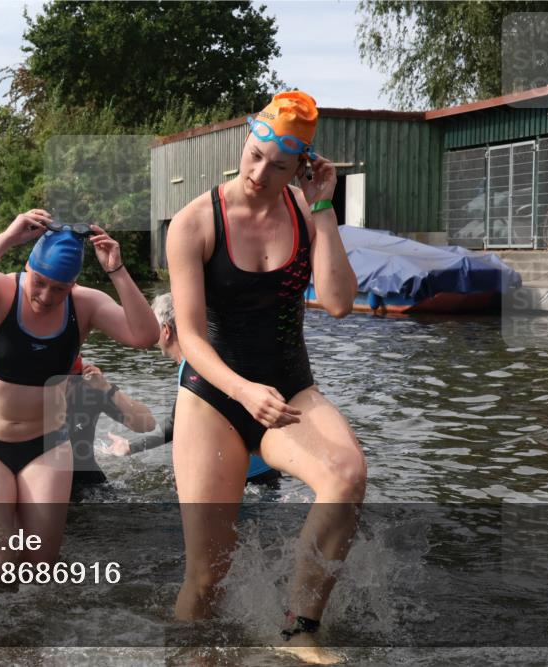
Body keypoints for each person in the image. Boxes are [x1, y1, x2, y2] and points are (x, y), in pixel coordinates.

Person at [166, 91, 363, 659]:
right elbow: (192, 340)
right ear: (243, 142)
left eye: (279, 166)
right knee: (208, 578)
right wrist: (244, 391)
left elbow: (340, 302)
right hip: (215, 396)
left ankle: (298, 631)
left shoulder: (305, 211)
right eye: (254, 155)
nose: (259, 172)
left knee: (346, 476)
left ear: (301, 166)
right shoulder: (195, 222)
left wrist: (324, 208)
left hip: (289, 387)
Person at [0, 210, 160, 564]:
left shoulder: (85, 305)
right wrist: (8, 237)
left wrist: (116, 271)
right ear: (28, 267)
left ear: (72, 285)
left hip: (47, 446)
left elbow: (146, 336)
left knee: (40, 566)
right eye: (38, 282)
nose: (44, 295)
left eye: (59, 288)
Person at [107, 293, 281, 486]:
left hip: (241, 476)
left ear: (166, 330)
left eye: (153, 328)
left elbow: (175, 425)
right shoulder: (216, 356)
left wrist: (131, 447)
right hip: (266, 466)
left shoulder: (193, 367)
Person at [66, 354, 156, 499]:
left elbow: (147, 424)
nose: (66, 385)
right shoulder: (34, 396)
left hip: (87, 481)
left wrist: (107, 388)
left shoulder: (89, 390)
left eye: (72, 380)